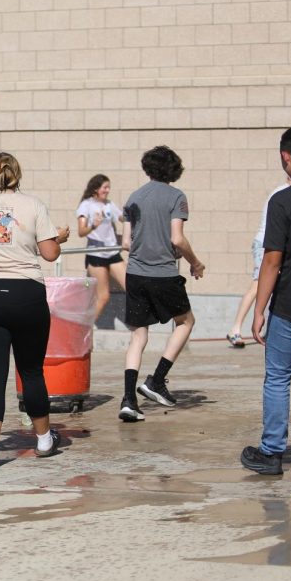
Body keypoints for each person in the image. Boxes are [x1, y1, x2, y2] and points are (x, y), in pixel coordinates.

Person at [0, 152, 68, 468]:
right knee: (31, 370)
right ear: (16, 174)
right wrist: (58, 237)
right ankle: (45, 440)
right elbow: (50, 253)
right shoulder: (33, 205)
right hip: (26, 293)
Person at [240, 127, 291, 476]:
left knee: (277, 379)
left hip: (289, 308)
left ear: (285, 157)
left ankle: (272, 453)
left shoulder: (283, 201)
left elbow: (272, 259)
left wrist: (258, 310)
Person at [118, 145, 205, 422]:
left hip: (135, 273)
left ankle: (129, 400)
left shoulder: (134, 197)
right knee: (186, 321)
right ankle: (156, 380)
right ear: (174, 169)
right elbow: (177, 239)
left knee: (138, 335)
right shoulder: (176, 196)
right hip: (163, 273)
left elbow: (126, 243)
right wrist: (195, 262)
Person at [226, 176, 291, 348]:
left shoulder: (284, 192)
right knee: (258, 285)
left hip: (269, 244)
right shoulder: (282, 192)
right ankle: (235, 328)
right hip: (266, 245)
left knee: (264, 285)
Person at [75, 174, 127, 321]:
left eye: (109, 187)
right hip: (96, 254)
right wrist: (93, 225)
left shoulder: (109, 204)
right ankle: (84, 327)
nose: (108, 190)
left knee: (132, 287)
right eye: (105, 187)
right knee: (103, 296)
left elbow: (122, 217)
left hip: (112, 252)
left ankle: (139, 322)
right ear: (96, 188)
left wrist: (131, 214)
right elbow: (81, 232)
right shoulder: (86, 205)